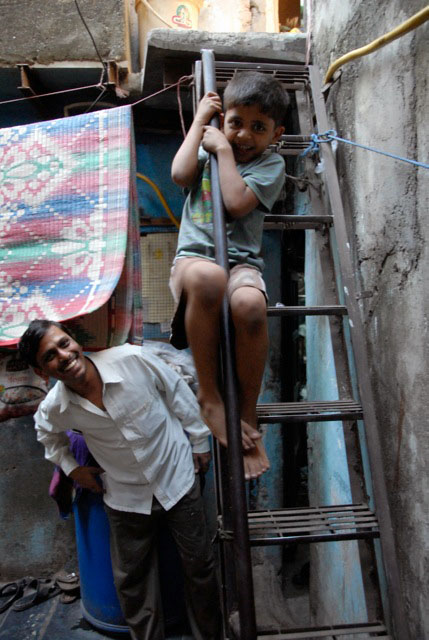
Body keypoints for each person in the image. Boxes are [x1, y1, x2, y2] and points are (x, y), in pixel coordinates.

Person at [18, 319, 221, 640]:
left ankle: (208, 635)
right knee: (132, 581)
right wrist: (73, 469)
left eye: (64, 343)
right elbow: (46, 434)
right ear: (44, 373)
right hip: (125, 496)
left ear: (75, 341)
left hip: (177, 479)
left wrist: (199, 441)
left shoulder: (130, 360)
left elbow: (176, 390)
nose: (64, 355)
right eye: (49, 357)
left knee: (200, 567)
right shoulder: (56, 407)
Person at [169, 71, 288, 480]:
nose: (244, 135)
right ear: (223, 121)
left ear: (276, 134)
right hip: (194, 262)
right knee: (209, 279)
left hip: (241, 265)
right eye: (236, 122)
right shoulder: (207, 146)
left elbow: (236, 203)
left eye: (259, 127)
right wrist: (202, 121)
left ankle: (247, 413)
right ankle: (210, 397)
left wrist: (222, 151)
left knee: (251, 303)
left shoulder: (272, 164)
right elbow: (180, 175)